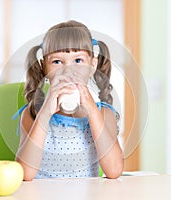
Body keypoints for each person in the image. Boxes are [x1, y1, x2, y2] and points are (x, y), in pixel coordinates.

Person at [15, 20, 124, 181]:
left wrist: (92, 110)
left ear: (92, 65)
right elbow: (24, 173)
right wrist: (45, 114)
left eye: (78, 61)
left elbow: (114, 170)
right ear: (44, 67)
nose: (68, 70)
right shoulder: (32, 114)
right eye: (57, 62)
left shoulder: (103, 113)